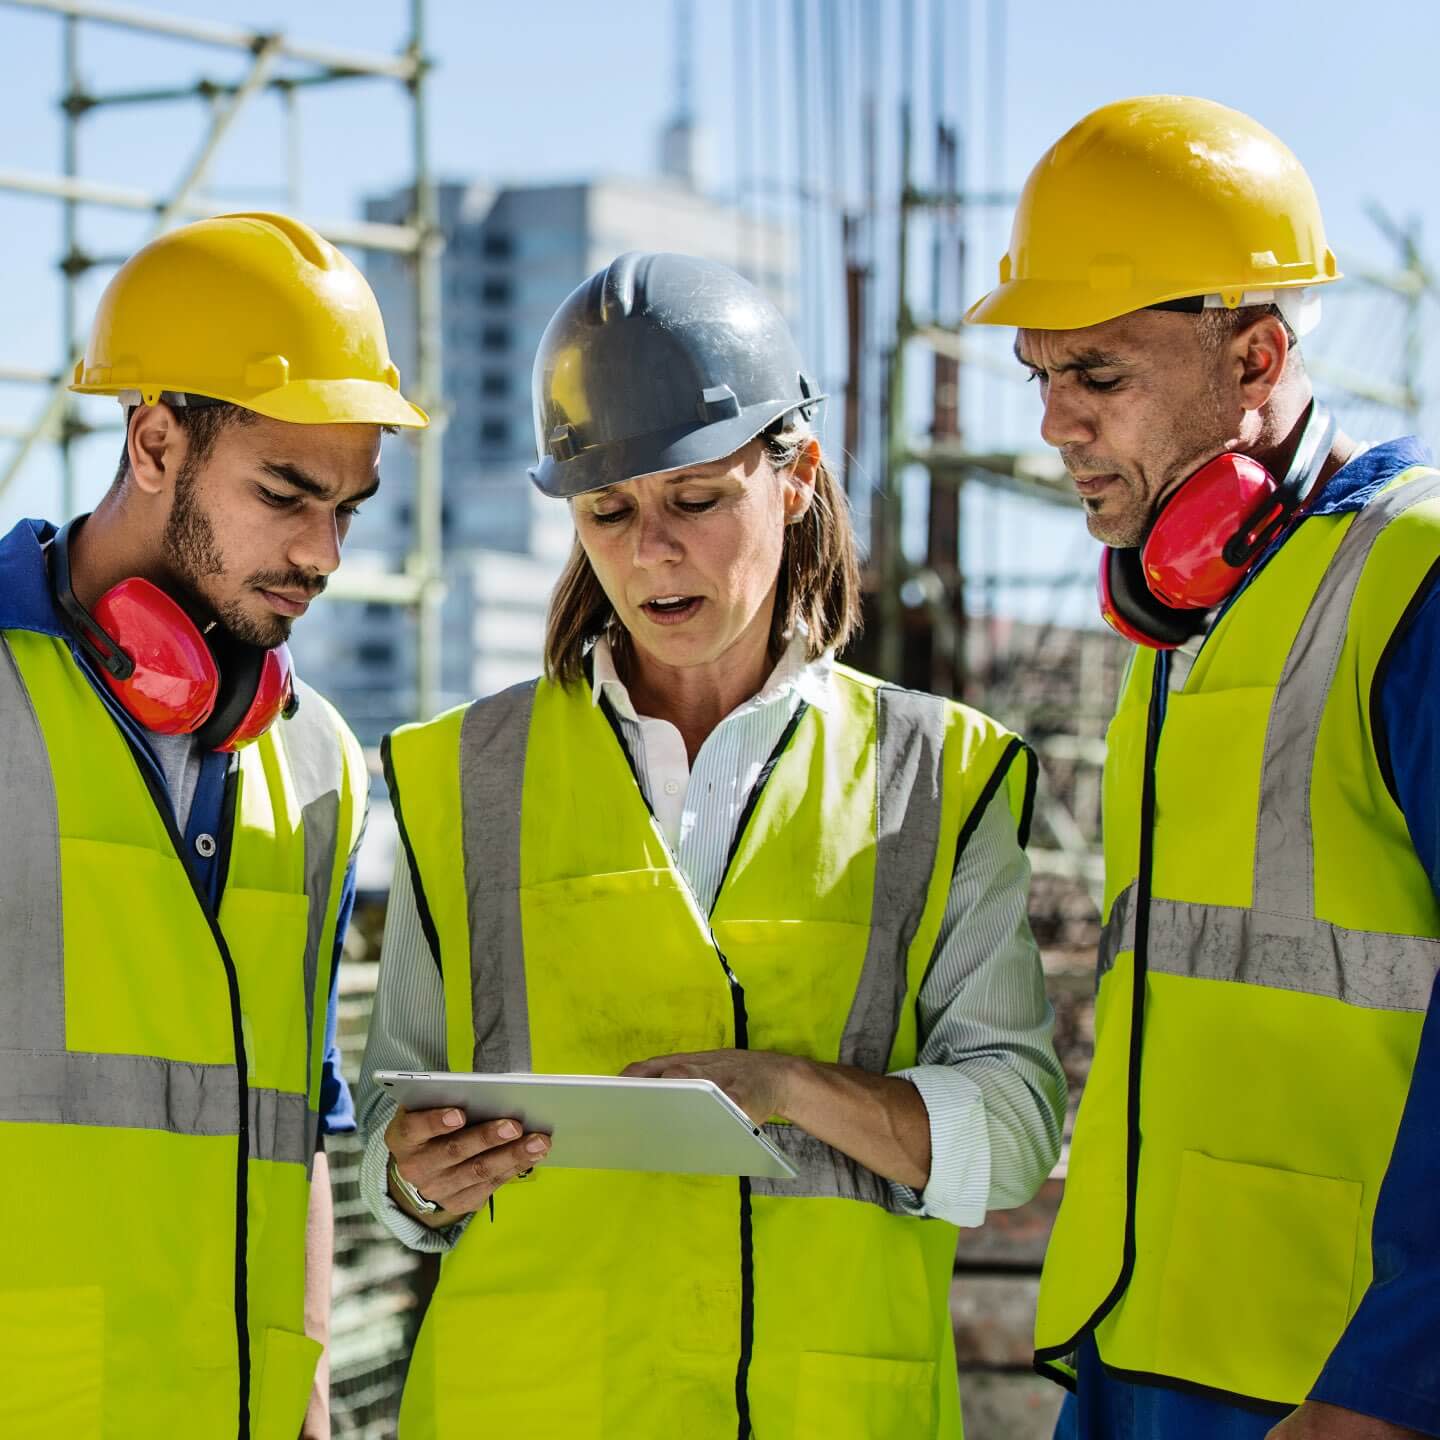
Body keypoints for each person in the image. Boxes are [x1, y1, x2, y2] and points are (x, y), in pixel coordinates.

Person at [356, 251, 1066, 1437]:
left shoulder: (936, 778)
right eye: (608, 513)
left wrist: (785, 1088)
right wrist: (413, 1177)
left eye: (694, 500)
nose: (649, 554)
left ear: (797, 479)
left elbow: (1010, 1136)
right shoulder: (459, 778)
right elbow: (393, 1137)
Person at [966, 95, 1440, 1440]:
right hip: (1141, 1363)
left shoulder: (1412, 582)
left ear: (1257, 355)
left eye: (1100, 377)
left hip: (1333, 1386)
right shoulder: (1187, 621)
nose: (1056, 424)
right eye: (1039, 375)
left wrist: (1400, 1383)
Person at [0, 212, 427, 1440]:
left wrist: (306, 1401)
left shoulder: (319, 763)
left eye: (348, 506)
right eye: (285, 494)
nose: (322, 552)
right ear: (153, 440)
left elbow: (293, 1124)